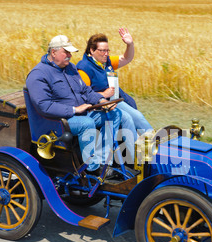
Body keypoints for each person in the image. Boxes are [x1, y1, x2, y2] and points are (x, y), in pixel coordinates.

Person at [26, 35, 136, 175]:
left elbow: (85, 90)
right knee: (87, 123)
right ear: (53, 52)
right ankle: (92, 168)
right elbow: (44, 106)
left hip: (81, 113)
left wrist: (101, 101)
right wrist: (73, 109)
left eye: (70, 53)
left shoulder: (70, 68)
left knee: (115, 114)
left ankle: (103, 162)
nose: (69, 56)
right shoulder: (38, 74)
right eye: (66, 52)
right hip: (58, 121)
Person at [76, 28, 153, 136]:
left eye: (107, 50)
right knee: (130, 118)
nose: (106, 54)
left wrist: (130, 44)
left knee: (137, 116)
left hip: (114, 101)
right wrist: (103, 94)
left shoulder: (106, 62)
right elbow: (83, 96)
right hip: (102, 106)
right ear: (92, 51)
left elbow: (126, 58)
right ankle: (146, 147)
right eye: (102, 50)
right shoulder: (84, 69)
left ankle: (153, 144)